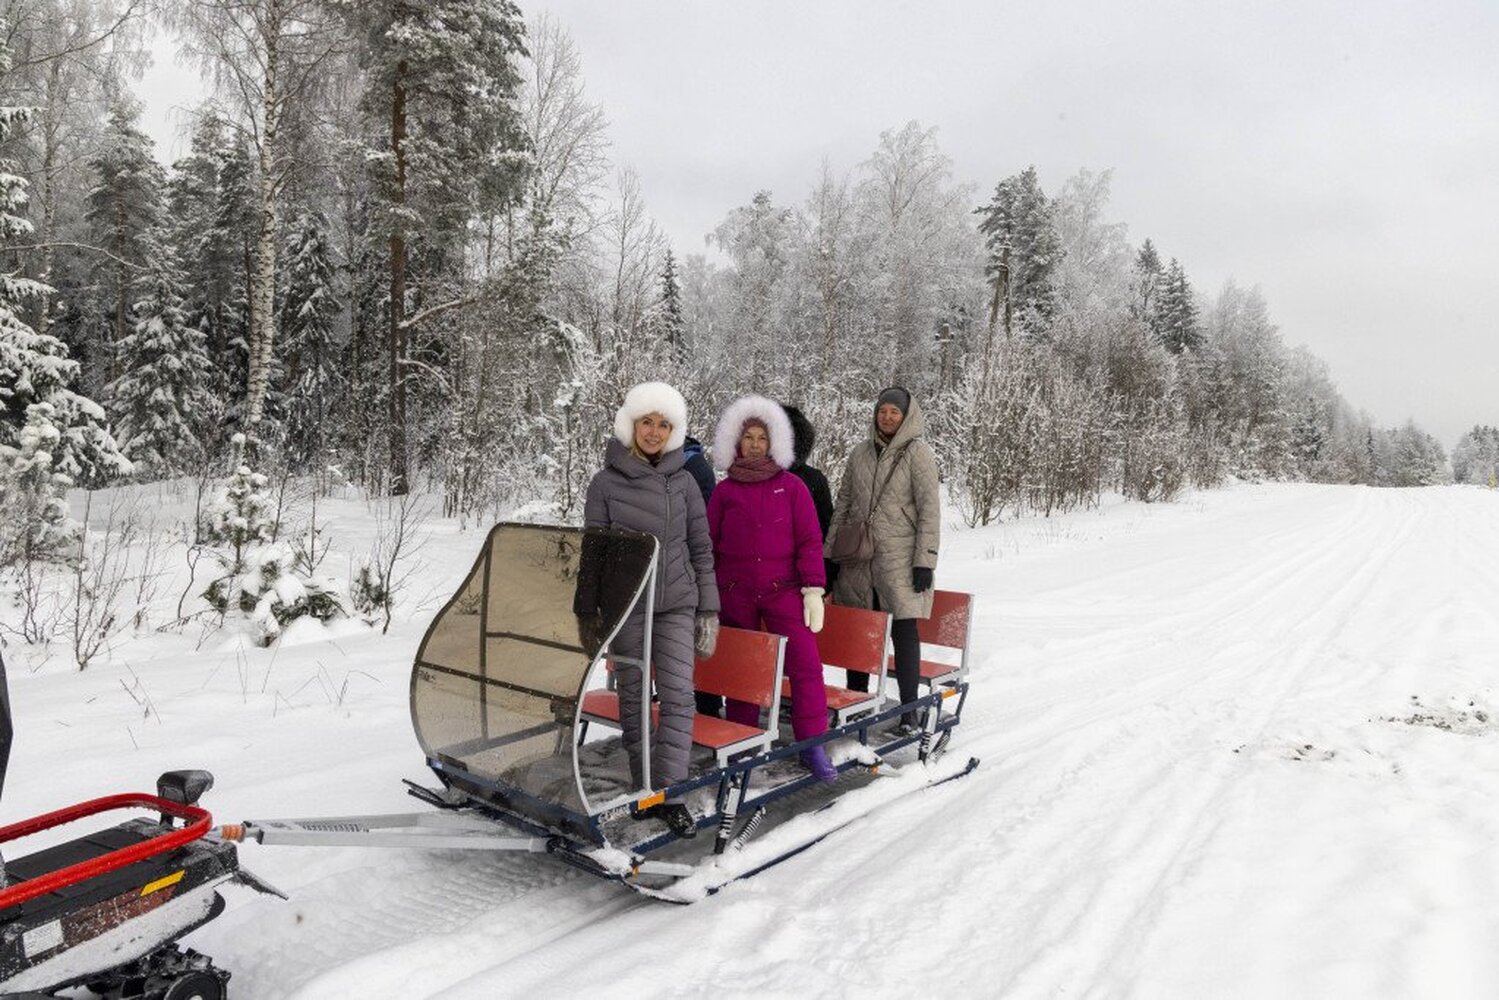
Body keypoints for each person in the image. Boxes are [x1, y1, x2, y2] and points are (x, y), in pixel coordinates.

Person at [578, 381, 719, 836]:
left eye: (664, 424)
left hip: (677, 603)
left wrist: (708, 610)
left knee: (678, 697)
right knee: (635, 698)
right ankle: (645, 788)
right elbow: (593, 551)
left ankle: (670, 792)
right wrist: (587, 612)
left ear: (674, 431)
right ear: (631, 425)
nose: (654, 432)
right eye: (647, 422)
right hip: (628, 606)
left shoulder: (685, 482)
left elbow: (701, 549)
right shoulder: (605, 482)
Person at [706, 395, 837, 782]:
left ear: (774, 441)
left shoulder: (792, 487)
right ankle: (743, 744)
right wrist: (708, 592)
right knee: (743, 670)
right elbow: (708, 545)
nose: (755, 444)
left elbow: (810, 540)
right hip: (735, 592)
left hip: (784, 591)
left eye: (762, 437)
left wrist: (813, 589)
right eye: (748, 437)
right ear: (736, 441)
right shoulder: (725, 491)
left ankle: (812, 745)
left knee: (805, 666)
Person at [825, 386, 940, 734]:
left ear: (906, 416)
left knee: (903, 632)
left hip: (900, 560)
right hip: (858, 559)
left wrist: (925, 561)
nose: (887, 417)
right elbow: (843, 504)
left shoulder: (918, 453)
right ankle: (856, 705)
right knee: (859, 631)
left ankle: (910, 711)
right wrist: (830, 554)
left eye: (894, 412)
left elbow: (929, 510)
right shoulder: (860, 453)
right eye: (882, 411)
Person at [780, 404, 835, 583]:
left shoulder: (814, 479)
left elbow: (826, 530)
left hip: (802, 571)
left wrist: (826, 578)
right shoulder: (752, 477)